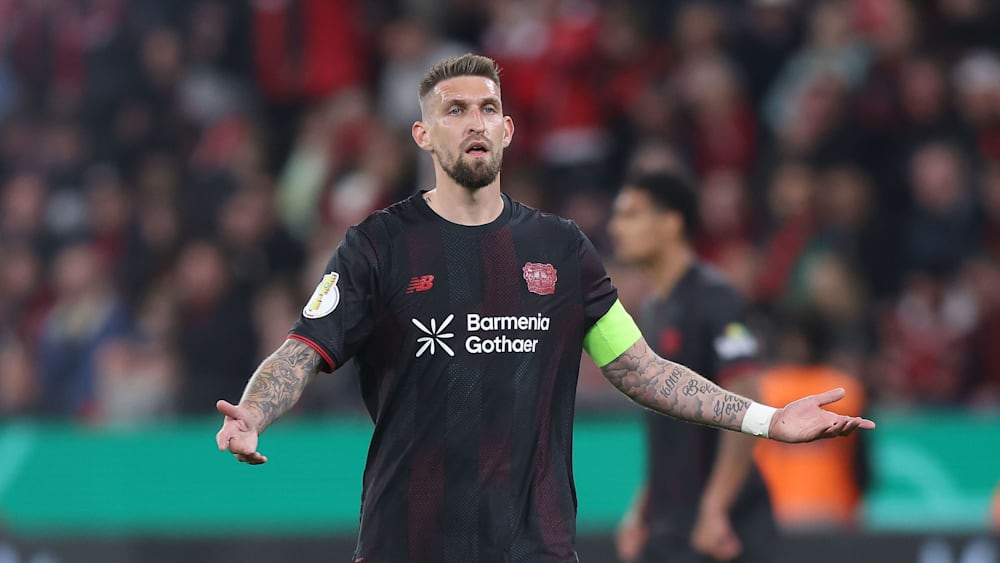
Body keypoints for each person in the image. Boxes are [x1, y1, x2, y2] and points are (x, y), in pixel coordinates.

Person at [216, 53, 874, 563]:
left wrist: (767, 419)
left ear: (507, 129)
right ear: (423, 133)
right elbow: (302, 350)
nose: (474, 121)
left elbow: (643, 370)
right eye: (454, 110)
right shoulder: (377, 246)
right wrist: (254, 412)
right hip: (407, 544)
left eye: (487, 108)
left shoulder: (562, 249)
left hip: (534, 548)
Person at [609, 172, 776, 563]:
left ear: (671, 224)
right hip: (672, 523)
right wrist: (641, 509)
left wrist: (716, 507)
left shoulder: (716, 298)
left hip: (724, 526)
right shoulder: (653, 310)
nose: (616, 227)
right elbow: (669, 429)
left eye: (631, 215)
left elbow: (746, 401)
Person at [754, 310, 869, 530]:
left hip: (777, 509)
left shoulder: (764, 387)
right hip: (833, 508)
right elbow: (862, 464)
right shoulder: (845, 389)